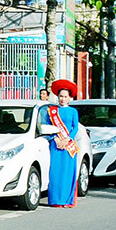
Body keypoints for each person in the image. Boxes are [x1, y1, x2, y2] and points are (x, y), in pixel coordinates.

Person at [41, 79, 82, 208]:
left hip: (69, 145)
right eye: (61, 96)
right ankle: (55, 200)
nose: (63, 99)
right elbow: (48, 126)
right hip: (56, 145)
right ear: (57, 97)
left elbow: (75, 128)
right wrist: (56, 139)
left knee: (68, 172)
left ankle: (67, 200)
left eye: (65, 96)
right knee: (55, 172)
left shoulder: (73, 111)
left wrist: (67, 139)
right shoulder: (51, 111)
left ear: (70, 98)